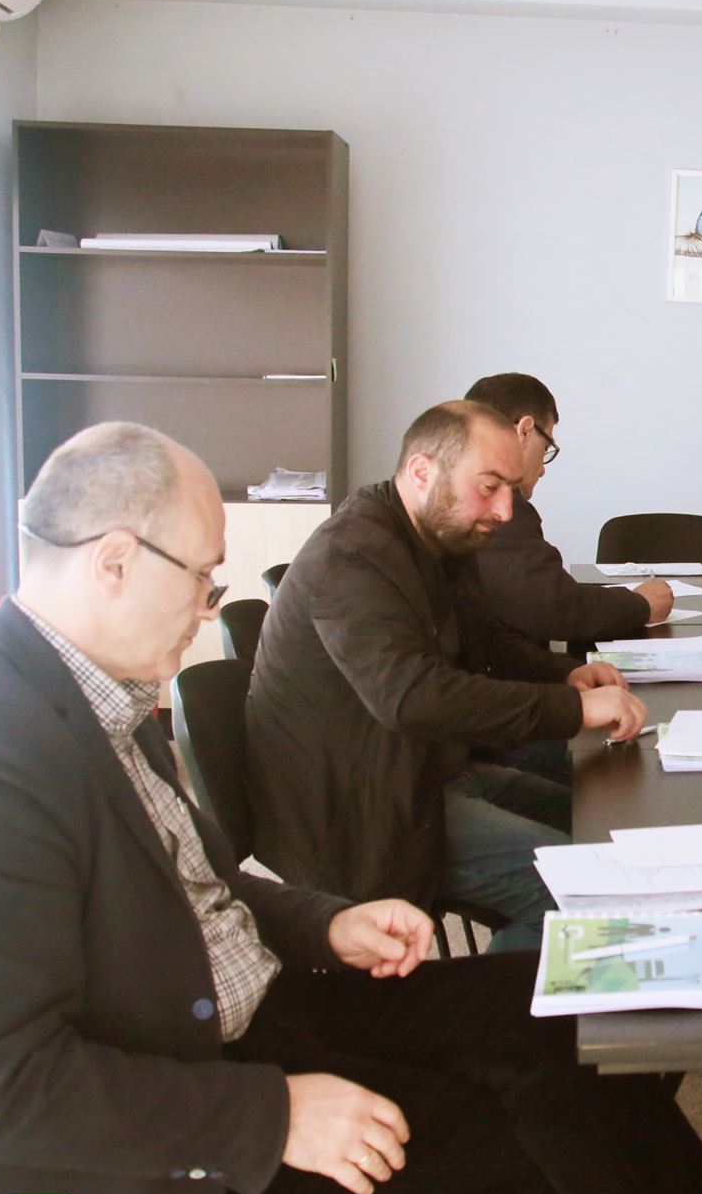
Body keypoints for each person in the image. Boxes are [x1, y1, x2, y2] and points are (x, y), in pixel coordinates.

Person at [0, 423, 702, 1194]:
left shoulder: (101, 692)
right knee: (503, 1153)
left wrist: (324, 922)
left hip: (255, 1015)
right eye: (203, 580)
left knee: (554, 1007)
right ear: (114, 562)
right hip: (137, 1190)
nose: (209, 609)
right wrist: (275, 1115)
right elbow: (3, 1093)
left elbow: (196, 891)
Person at [249, 400, 646, 951]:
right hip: (362, 812)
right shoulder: (352, 555)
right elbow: (413, 698)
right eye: (489, 487)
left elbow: (484, 643)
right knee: (579, 891)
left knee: (601, 825)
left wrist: (568, 674)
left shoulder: (438, 536)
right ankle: (497, 1007)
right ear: (422, 471)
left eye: (511, 489)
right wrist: (574, 709)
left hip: (426, 770)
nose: (505, 510)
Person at [466, 372, 672, 784]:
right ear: (525, 431)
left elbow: (488, 638)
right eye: (547, 448)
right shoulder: (480, 509)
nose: (542, 471)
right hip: (475, 737)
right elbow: (553, 606)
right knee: (637, 767)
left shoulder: (476, 509)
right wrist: (638, 605)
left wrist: (559, 671)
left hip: (491, 715)